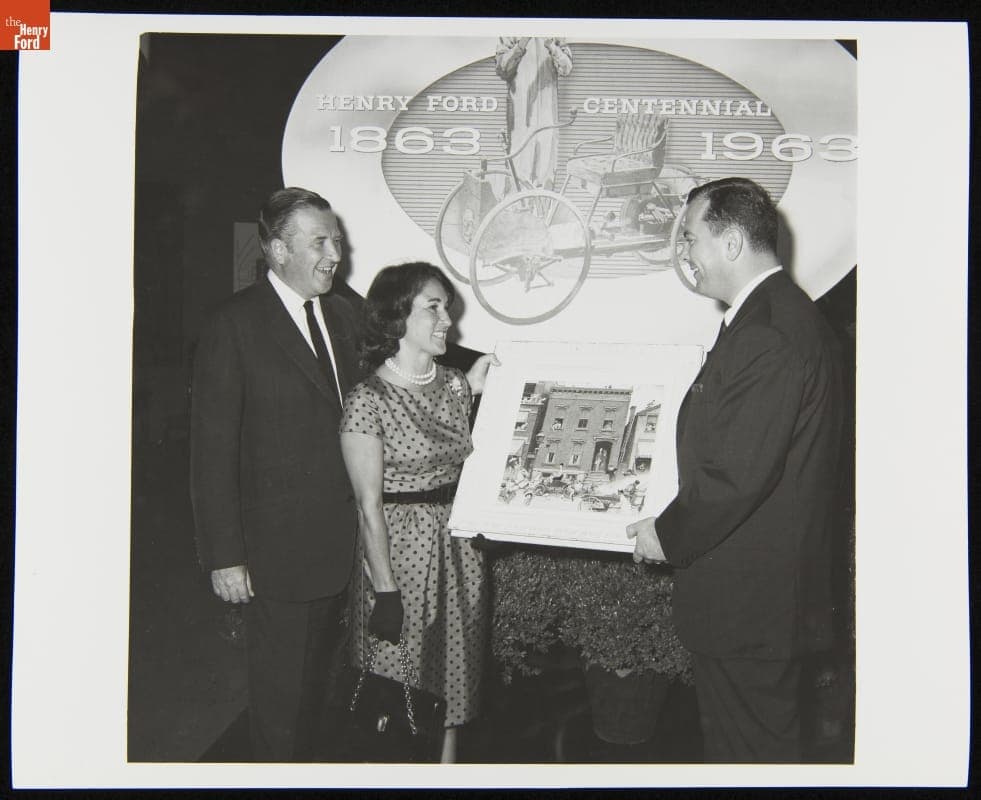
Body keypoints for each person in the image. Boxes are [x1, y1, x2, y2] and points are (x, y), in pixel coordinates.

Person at [627, 177, 844, 763]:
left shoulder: (767, 333)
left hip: (753, 611)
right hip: (757, 606)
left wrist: (664, 534)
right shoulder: (770, 319)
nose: (684, 255)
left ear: (730, 244)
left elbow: (736, 476)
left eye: (690, 239)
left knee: (750, 758)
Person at [189, 187, 362, 761]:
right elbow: (211, 452)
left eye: (335, 238)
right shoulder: (233, 326)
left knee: (324, 701)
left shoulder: (345, 311)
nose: (335, 252)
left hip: (348, 549)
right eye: (321, 241)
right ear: (277, 251)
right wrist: (224, 555)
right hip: (275, 556)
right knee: (282, 707)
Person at [339, 262, 498, 763]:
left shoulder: (454, 385)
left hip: (460, 557)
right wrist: (384, 590)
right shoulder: (367, 400)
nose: (447, 318)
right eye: (434, 306)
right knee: (398, 687)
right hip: (401, 560)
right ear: (397, 316)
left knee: (453, 684)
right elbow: (368, 508)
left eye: (447, 306)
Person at [494, 36, 573, 192]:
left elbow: (567, 68)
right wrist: (521, 44)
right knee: (518, 168)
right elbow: (502, 69)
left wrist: (552, 46)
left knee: (545, 170)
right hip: (520, 117)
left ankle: (543, 214)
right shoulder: (511, 32)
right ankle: (516, 211)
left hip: (547, 116)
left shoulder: (555, 32)